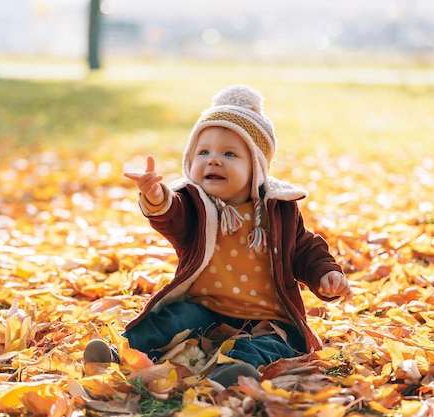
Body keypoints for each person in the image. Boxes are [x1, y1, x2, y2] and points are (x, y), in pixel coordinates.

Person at [84, 85, 352, 388]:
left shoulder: (278, 209)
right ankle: (119, 353)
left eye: (229, 153)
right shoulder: (195, 206)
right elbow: (171, 214)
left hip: (270, 318)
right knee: (171, 320)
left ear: (257, 167)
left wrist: (325, 273)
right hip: (206, 308)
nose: (213, 160)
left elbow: (304, 248)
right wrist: (156, 195)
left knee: (274, 345)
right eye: (203, 152)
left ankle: (233, 373)